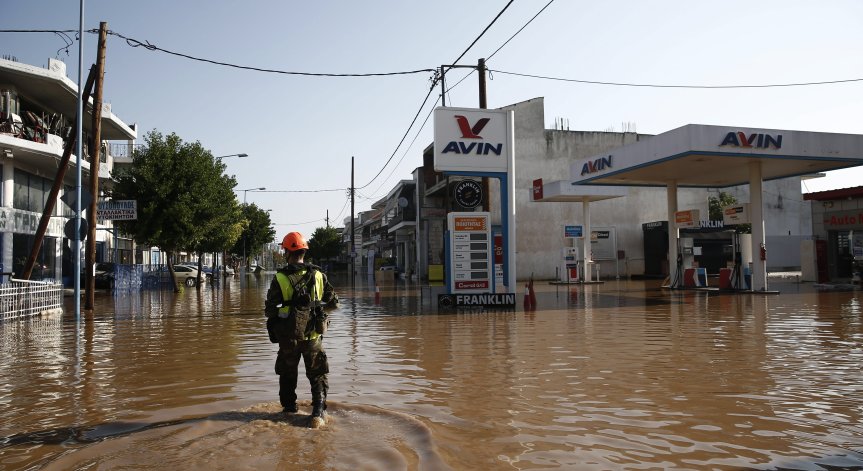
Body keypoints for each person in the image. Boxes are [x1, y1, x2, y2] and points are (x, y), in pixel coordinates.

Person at [265, 232, 338, 425]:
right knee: (317, 375)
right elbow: (334, 303)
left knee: (288, 375)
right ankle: (318, 413)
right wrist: (318, 312)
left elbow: (270, 310)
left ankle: (288, 411)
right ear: (304, 251)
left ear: (287, 252)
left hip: (288, 337)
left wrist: (285, 315)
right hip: (313, 336)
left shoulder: (280, 278)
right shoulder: (319, 275)